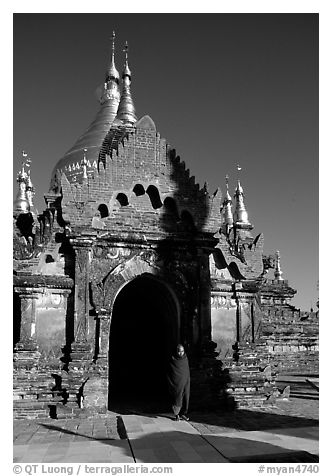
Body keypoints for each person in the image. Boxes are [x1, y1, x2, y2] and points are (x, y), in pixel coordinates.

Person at [167, 344, 190, 421]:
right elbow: (170, 372)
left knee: (186, 396)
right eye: (179, 351)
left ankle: (183, 413)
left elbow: (186, 371)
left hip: (185, 381)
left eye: (182, 351)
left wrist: (187, 379)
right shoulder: (173, 359)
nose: (181, 353)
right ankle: (176, 414)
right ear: (176, 351)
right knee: (177, 397)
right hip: (176, 382)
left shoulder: (185, 358)